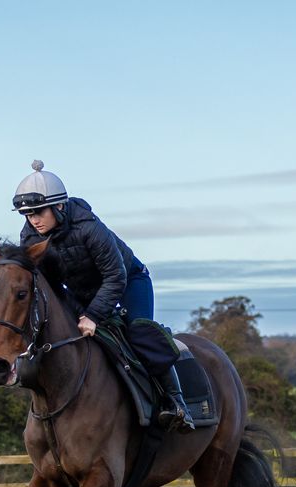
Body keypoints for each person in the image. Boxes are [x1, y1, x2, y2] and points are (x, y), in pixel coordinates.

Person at [12, 160, 194, 431]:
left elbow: (116, 276)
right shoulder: (30, 239)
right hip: (81, 293)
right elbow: (50, 287)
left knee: (138, 333)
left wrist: (93, 315)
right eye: (27, 215)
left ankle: (176, 403)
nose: (33, 220)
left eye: (39, 212)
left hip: (128, 280)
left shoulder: (88, 227)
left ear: (59, 206)